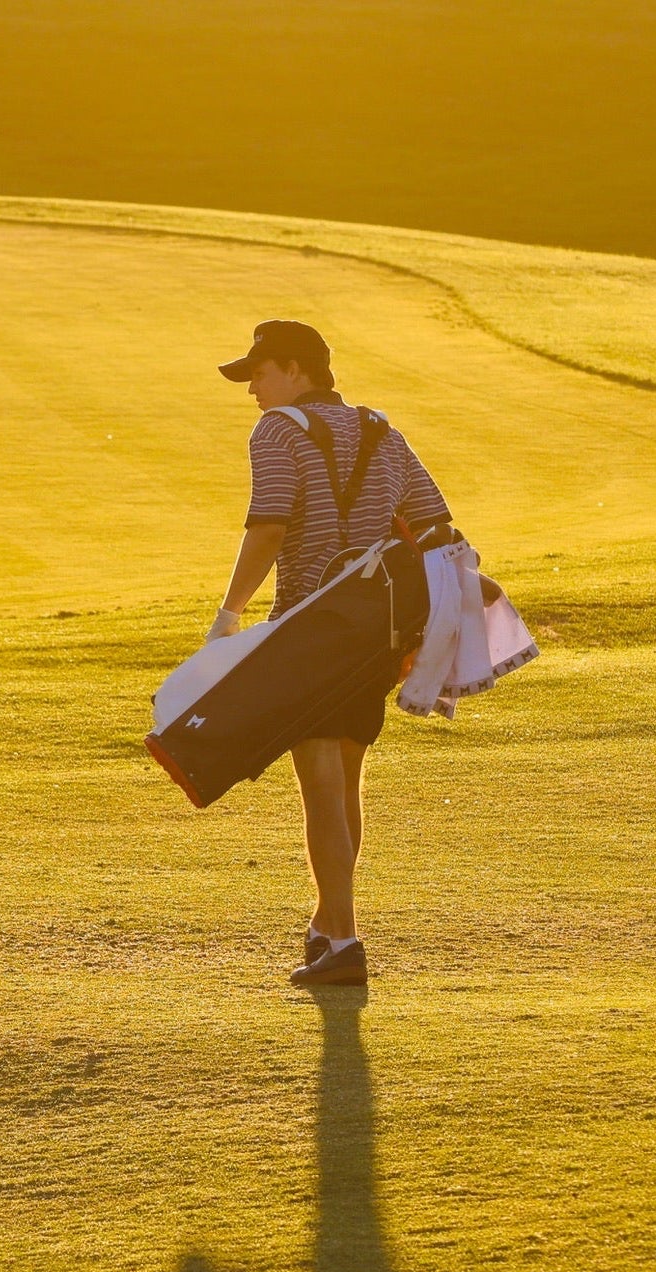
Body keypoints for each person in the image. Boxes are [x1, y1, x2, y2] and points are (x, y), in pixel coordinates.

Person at [211, 321, 452, 987]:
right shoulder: (379, 428)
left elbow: (269, 526)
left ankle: (343, 941)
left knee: (319, 784)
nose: (253, 390)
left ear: (293, 370)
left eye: (258, 374)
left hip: (307, 629)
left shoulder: (278, 430)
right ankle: (326, 924)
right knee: (343, 779)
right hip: (375, 630)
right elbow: (434, 522)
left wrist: (228, 613)